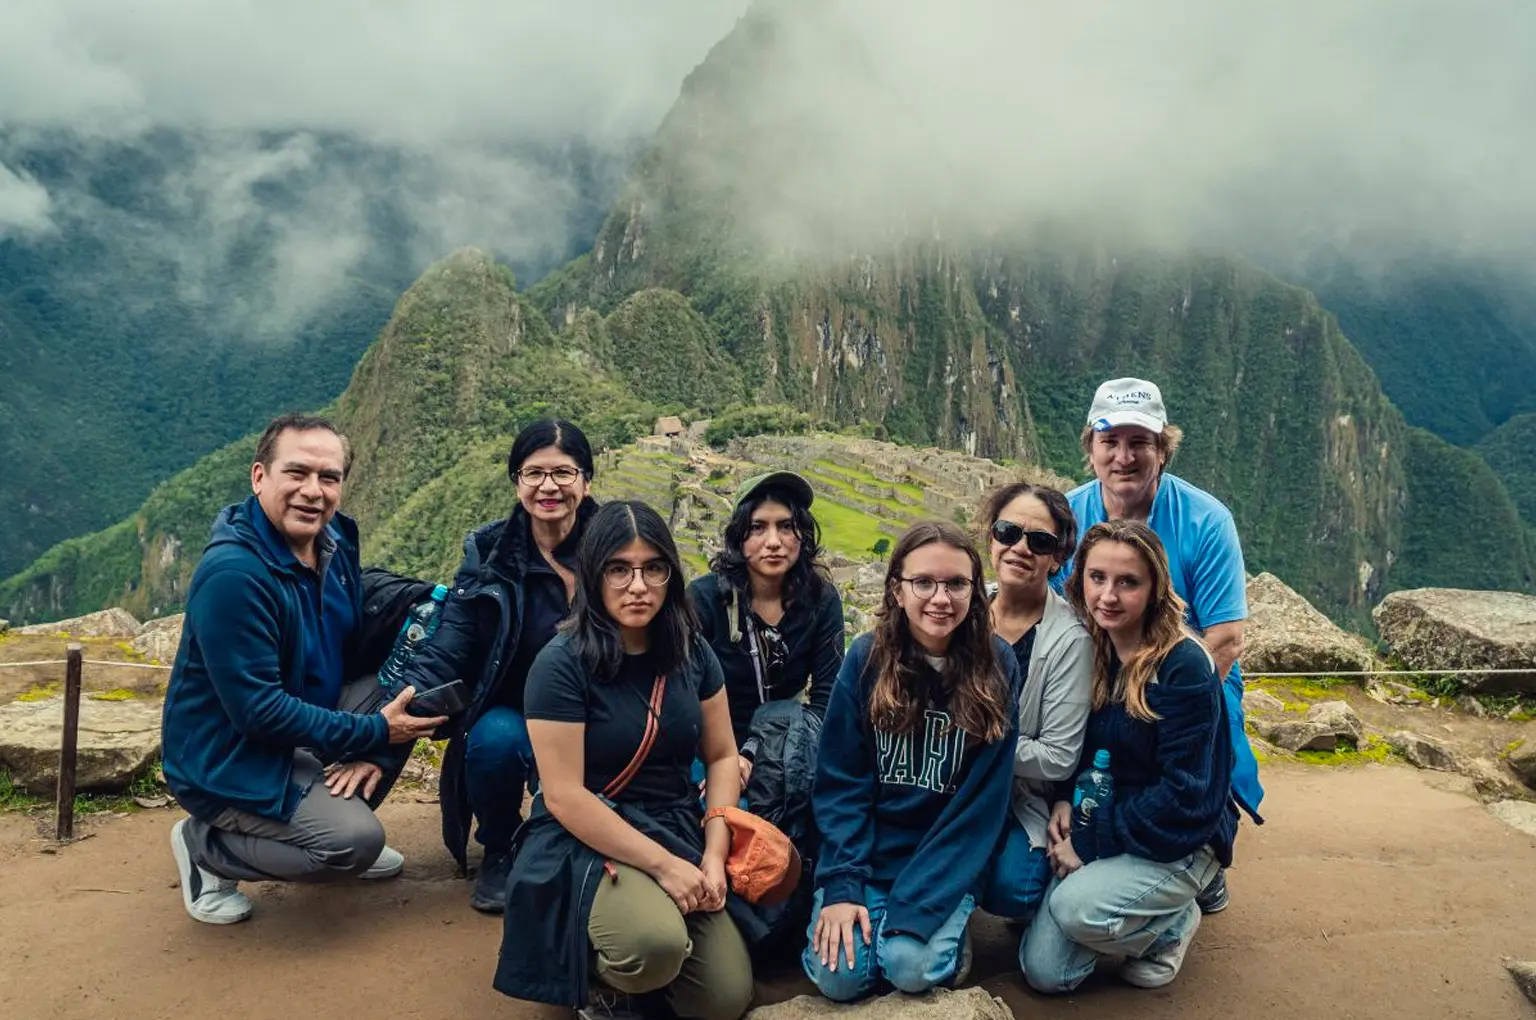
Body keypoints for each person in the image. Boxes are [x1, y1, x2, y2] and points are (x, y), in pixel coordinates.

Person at [162, 413, 445, 925]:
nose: (313, 491)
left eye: (328, 478)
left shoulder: (335, 542)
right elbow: (257, 712)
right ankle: (205, 846)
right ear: (259, 477)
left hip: (303, 723)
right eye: (297, 473)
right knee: (350, 844)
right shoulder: (234, 576)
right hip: (230, 756)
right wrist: (374, 729)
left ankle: (328, 819)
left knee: (413, 695)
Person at [492, 501, 754, 1020]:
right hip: (588, 832)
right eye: (619, 569)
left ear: (670, 576)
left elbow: (723, 755)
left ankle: (643, 954)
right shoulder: (562, 665)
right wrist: (665, 868)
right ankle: (597, 975)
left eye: (653, 568)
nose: (638, 586)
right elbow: (564, 794)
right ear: (595, 575)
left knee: (722, 999)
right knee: (652, 947)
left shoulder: (691, 652)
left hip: (673, 822)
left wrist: (713, 851)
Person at [1056, 377, 1263, 912]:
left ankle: (1204, 850)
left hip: (1185, 676)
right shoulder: (1067, 518)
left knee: (1200, 756)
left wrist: (1159, 707)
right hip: (1094, 670)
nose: (1123, 457)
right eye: (1110, 442)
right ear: (1091, 448)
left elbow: (1225, 638)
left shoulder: (1205, 520)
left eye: (1139, 443)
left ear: (1162, 450)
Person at [804, 522, 1021, 1002]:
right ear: (897, 590)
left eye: (956, 584)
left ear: (974, 591)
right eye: (923, 582)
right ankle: (886, 929)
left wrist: (920, 904)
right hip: (871, 852)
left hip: (947, 857)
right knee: (841, 979)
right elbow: (841, 784)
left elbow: (981, 806)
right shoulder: (865, 660)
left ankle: (942, 940)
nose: (940, 598)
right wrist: (842, 886)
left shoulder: (997, 666)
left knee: (907, 968)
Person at [391, 419, 599, 912]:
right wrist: (381, 721)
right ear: (517, 482)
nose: (549, 486)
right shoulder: (489, 552)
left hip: (598, 707)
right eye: (534, 473)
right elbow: (451, 643)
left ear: (587, 481)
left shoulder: (615, 543)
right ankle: (500, 847)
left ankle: (574, 844)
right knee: (493, 741)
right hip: (515, 707)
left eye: (564, 473)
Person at [1022, 520, 1237, 993]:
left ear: (1155, 589)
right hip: (1109, 816)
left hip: (1179, 837)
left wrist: (1090, 842)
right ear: (1080, 579)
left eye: (1128, 582)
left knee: (1074, 909)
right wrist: (1063, 798)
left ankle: (1175, 923)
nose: (1108, 596)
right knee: (1046, 972)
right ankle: (1143, 911)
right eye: (1097, 577)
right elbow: (1075, 741)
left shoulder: (1183, 667)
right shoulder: (1091, 645)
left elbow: (1187, 793)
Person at [975, 482, 1092, 927]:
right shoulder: (960, 606)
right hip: (942, 787)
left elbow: (1059, 757)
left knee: (1015, 889)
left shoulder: (1068, 639)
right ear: (991, 538)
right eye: (1008, 532)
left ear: (1057, 557)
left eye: (1039, 541)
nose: (1020, 548)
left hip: (1015, 795)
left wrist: (971, 745)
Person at [687, 471, 844, 790]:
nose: (774, 542)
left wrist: (756, 754)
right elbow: (684, 695)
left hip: (792, 747)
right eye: (758, 527)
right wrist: (726, 760)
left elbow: (827, 700)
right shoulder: (704, 601)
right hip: (709, 749)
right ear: (738, 536)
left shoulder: (821, 600)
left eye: (786, 526)